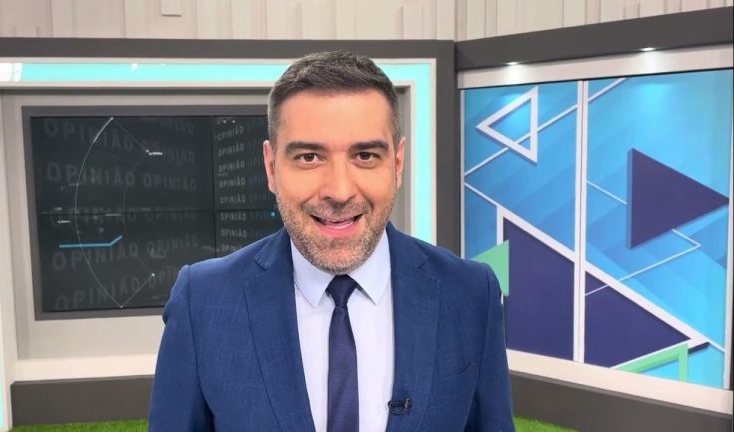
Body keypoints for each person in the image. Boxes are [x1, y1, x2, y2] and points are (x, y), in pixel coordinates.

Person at [149, 51, 514, 432]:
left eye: (365, 155)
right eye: (309, 157)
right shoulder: (202, 301)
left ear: (397, 164)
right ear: (271, 167)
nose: (339, 191)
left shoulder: (471, 294)